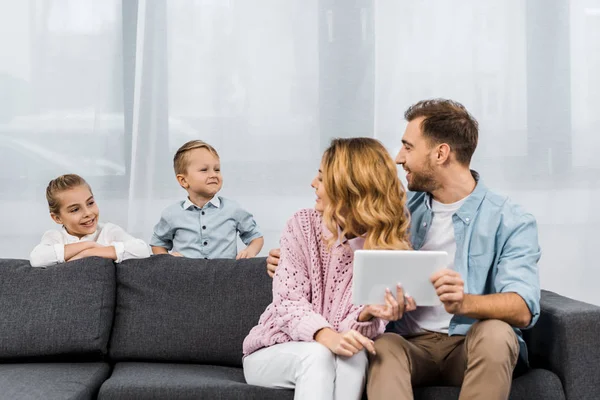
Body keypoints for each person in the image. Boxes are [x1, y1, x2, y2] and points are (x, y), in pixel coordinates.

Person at [266, 99, 541, 400]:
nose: (399, 158)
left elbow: (522, 308)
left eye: (408, 147)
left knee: (497, 333)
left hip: (469, 343)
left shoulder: (509, 219)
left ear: (441, 153)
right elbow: (338, 238)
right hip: (410, 344)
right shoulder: (395, 216)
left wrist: (464, 303)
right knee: (383, 348)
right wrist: (287, 258)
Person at [243, 138, 414, 400]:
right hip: (275, 349)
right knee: (318, 354)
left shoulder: (389, 248)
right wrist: (325, 335)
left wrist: (367, 315)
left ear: (348, 187)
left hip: (330, 354)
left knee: (354, 355)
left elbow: (353, 335)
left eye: (322, 178)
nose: (313, 183)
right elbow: (289, 303)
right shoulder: (302, 225)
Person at [150, 140, 264, 259]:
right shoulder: (171, 214)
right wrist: (167, 260)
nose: (213, 174)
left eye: (217, 169)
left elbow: (255, 236)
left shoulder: (233, 209)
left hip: (225, 275)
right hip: (186, 276)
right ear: (183, 180)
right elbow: (158, 243)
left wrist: (250, 251)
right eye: (204, 170)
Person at [30, 174, 151, 268]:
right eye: (75, 209)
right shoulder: (55, 237)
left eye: (90, 203)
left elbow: (142, 250)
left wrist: (89, 254)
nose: (88, 213)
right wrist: (88, 245)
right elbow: (37, 259)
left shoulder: (109, 231)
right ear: (57, 218)